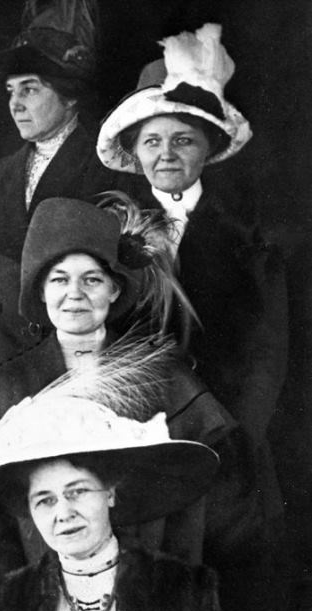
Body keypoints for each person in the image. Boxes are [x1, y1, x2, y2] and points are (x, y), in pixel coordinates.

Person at [0, 194, 235, 584]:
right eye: (59, 280)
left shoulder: (163, 376)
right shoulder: (6, 385)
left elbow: (189, 507)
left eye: (92, 279)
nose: (75, 295)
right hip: (44, 590)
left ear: (114, 290)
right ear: (40, 291)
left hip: (149, 584)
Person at [97, 22, 287, 540]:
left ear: (210, 147)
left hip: (226, 439)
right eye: (152, 141)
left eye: (183, 140)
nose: (166, 154)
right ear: (135, 152)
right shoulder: (107, 231)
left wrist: (234, 438)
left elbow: (268, 351)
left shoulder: (248, 237)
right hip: (135, 437)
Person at [0, 374, 222, 611]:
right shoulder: (7, 602)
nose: (64, 513)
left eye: (78, 491)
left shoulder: (181, 589)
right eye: (45, 500)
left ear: (110, 492)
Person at [0, 3, 113, 422]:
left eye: (30, 89)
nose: (15, 104)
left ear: (70, 95)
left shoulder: (107, 168)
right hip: (0, 374)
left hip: (77, 370)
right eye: (10, 91)